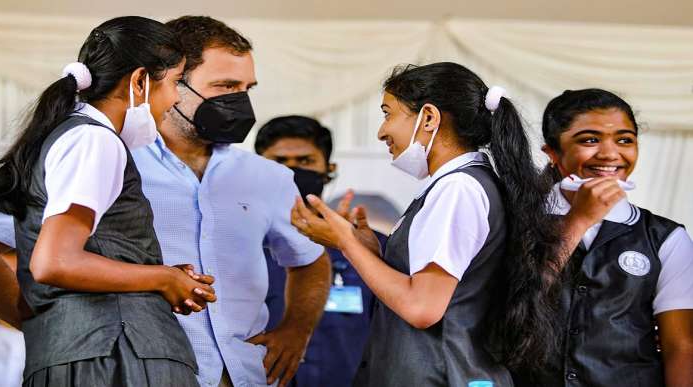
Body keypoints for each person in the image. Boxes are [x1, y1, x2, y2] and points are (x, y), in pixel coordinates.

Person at [0, 15, 331, 387]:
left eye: (247, 88)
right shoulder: (101, 147)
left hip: (235, 374)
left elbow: (309, 258)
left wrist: (296, 331)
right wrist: (37, 319)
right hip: (125, 365)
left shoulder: (267, 177)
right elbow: (20, 248)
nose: (239, 101)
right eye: (224, 86)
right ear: (148, 78)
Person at [290, 62, 562, 386]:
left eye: (388, 114)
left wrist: (345, 243)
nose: (381, 131)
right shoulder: (459, 184)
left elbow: (422, 307)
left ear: (429, 118)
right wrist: (371, 251)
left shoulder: (458, 188)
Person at [0, 16, 216, 386]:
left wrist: (159, 276)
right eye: (175, 82)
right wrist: (161, 277)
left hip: (84, 353)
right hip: (119, 359)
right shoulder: (96, 140)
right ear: (140, 81)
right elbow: (55, 261)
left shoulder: (65, 135)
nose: (174, 99)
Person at [526, 88, 693, 387]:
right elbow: (516, 303)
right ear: (552, 153)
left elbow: (680, 347)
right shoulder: (517, 221)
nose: (610, 154)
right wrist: (579, 220)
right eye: (589, 140)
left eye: (625, 140)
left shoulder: (666, 238)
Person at [255, 115, 387, 386]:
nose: (291, 172)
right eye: (278, 163)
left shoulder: (366, 247)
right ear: (256, 169)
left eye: (304, 161)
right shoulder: (234, 244)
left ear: (329, 169)